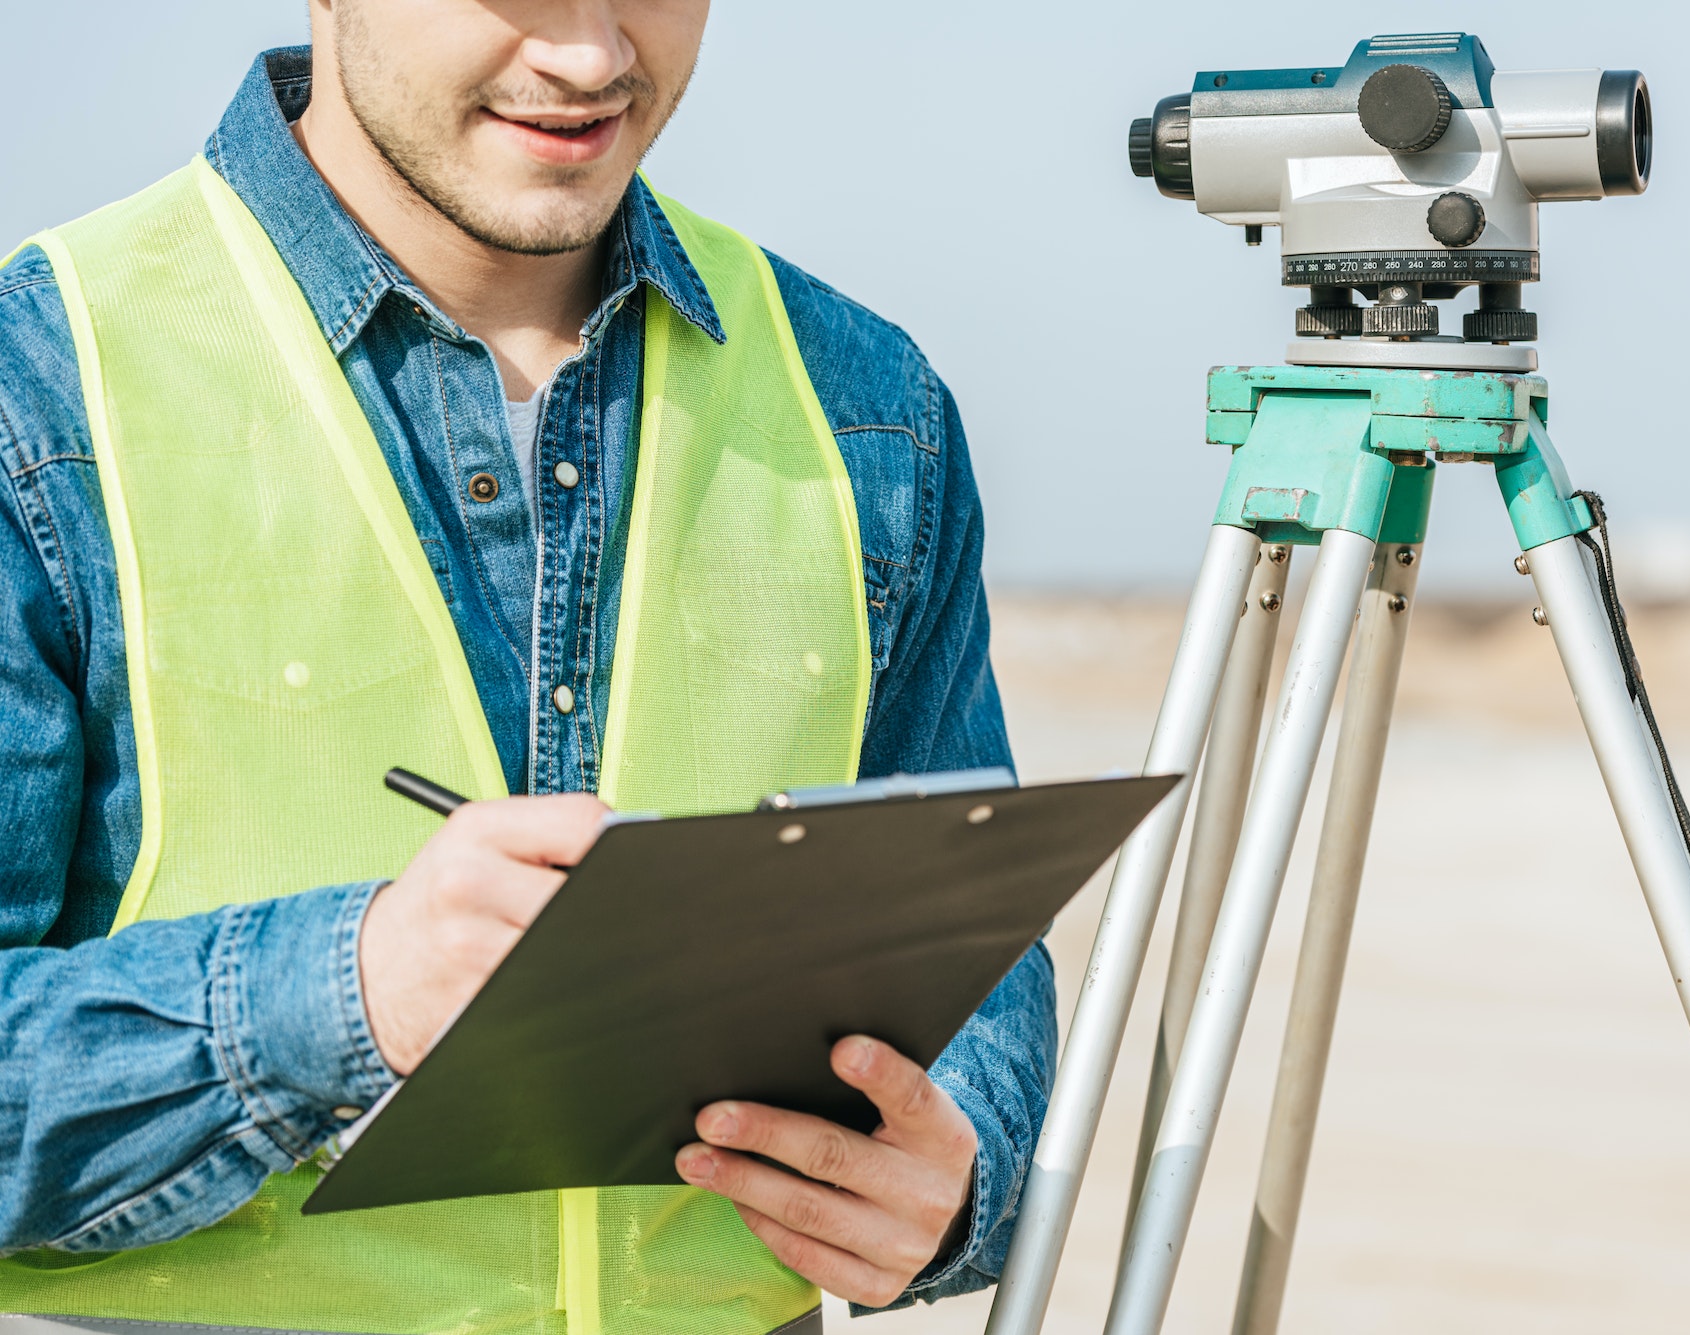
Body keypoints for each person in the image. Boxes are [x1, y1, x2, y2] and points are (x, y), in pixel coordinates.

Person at [0, 3, 1053, 1333]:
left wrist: (956, 1179)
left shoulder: (869, 407)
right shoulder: (38, 389)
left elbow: (970, 944)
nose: (592, 57)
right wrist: (345, 992)